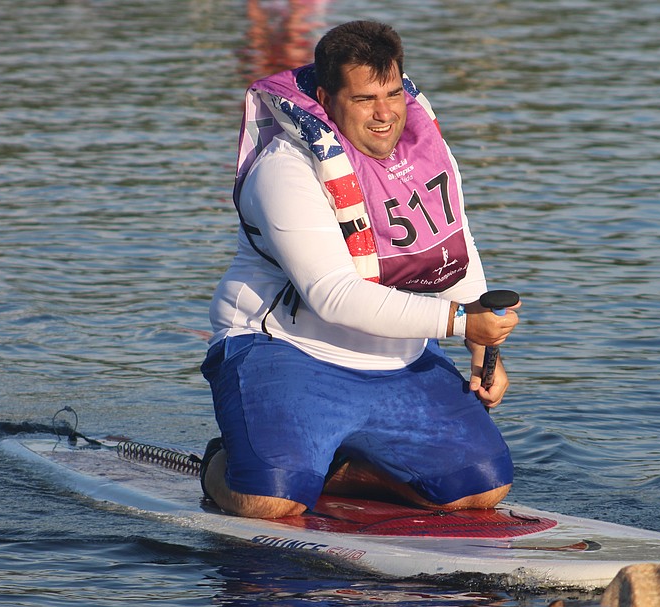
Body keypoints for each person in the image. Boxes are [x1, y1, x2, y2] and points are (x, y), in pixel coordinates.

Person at [200, 20, 521, 519]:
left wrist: (483, 344)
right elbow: (332, 295)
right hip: (287, 351)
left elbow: (453, 243)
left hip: (393, 358)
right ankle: (224, 461)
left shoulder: (420, 149)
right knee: (269, 502)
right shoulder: (284, 171)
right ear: (327, 98)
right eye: (365, 99)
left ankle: (335, 464)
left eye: (393, 93)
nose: (385, 113)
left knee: (479, 491)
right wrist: (460, 322)